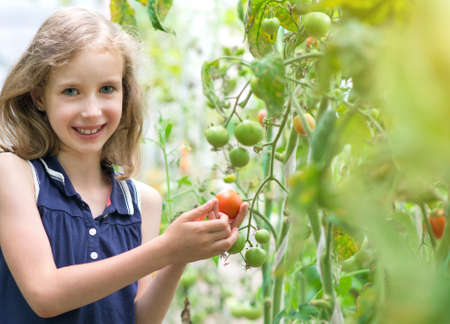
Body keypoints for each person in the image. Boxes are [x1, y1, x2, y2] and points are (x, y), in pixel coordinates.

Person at [0, 7, 248, 324]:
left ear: (124, 93)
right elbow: (45, 294)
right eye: (71, 91)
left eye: (107, 89)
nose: (92, 111)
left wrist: (179, 257)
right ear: (39, 97)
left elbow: (140, 318)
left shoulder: (142, 202)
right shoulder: (16, 174)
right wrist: (166, 249)